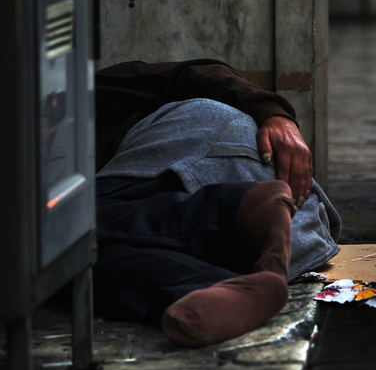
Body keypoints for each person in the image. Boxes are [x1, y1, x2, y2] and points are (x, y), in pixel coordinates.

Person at [92, 59, 341, 347]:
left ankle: (233, 216)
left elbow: (195, 72)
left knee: (64, 236)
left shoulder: (62, 97)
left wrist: (276, 115)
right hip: (303, 228)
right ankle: (226, 281)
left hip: (207, 152)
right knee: (84, 253)